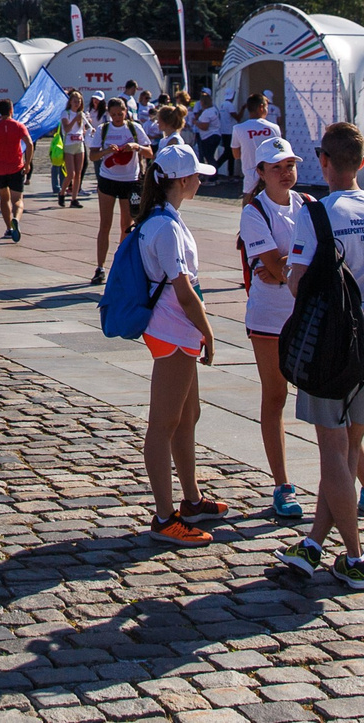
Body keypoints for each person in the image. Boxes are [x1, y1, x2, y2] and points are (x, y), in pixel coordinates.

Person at [275, 123, 364, 594]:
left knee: (332, 450)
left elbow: (295, 282)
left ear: (324, 162)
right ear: (362, 162)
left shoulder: (318, 215)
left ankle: (354, 556)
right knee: (349, 451)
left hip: (330, 343)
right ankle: (313, 545)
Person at [135, 141, 220, 546]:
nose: (200, 181)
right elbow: (185, 292)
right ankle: (165, 516)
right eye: (197, 176)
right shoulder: (166, 226)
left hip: (177, 330)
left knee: (188, 415)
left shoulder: (162, 218)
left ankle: (191, 499)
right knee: (163, 425)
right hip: (173, 330)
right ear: (183, 180)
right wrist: (208, 330)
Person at [237, 134, 307, 524]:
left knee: (323, 398)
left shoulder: (309, 205)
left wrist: (282, 267)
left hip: (306, 312)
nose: (285, 173)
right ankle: (282, 484)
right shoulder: (255, 212)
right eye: (277, 167)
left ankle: (358, 480)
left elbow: (281, 268)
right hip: (269, 318)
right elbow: (273, 268)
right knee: (276, 396)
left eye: (290, 165)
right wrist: (287, 267)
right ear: (260, 173)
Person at [89, 96, 147, 284]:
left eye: (120, 114)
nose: (117, 118)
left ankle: (121, 264)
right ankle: (100, 267)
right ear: (108, 114)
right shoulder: (103, 129)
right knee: (105, 224)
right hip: (108, 179)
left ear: (125, 112)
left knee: (126, 225)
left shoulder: (134, 128)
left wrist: (135, 146)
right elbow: (92, 156)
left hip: (130, 180)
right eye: (113, 114)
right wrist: (107, 151)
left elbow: (150, 152)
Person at [0, 99, 32, 243]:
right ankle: (16, 218)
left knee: (4, 198)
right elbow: (29, 144)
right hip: (16, 167)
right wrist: (28, 163)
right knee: (17, 199)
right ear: (11, 109)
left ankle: (8, 227)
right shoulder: (18, 126)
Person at [59, 88, 91, 207]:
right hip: (69, 144)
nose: (77, 103)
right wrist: (74, 120)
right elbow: (67, 128)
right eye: (75, 101)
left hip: (79, 144)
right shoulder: (66, 113)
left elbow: (82, 129)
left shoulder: (81, 114)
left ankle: (74, 198)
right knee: (70, 173)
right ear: (70, 102)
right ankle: (62, 192)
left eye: (79, 101)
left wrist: (85, 126)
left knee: (78, 172)